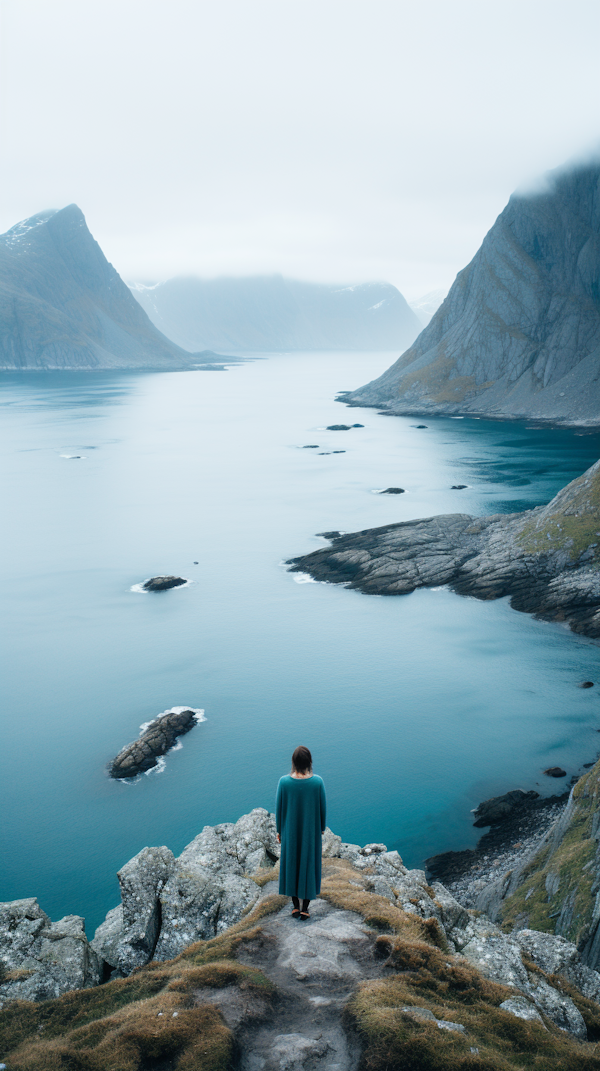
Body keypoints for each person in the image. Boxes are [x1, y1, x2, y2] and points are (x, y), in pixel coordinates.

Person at [276, 745, 326, 920]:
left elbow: (280, 808)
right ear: (309, 762)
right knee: (308, 864)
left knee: (292, 864)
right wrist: (321, 828)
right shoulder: (318, 782)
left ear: (293, 762)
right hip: (310, 831)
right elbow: (322, 808)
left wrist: (279, 831)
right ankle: (305, 908)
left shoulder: (284, 782)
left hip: (290, 830)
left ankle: (295, 906)